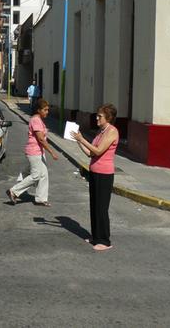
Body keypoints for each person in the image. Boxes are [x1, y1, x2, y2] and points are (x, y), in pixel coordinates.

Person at [71, 104, 119, 251]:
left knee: (102, 207)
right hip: (94, 171)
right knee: (94, 205)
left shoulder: (112, 131)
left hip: (105, 174)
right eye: (97, 115)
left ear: (108, 118)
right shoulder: (100, 132)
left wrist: (82, 138)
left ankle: (105, 240)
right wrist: (79, 141)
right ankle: (96, 236)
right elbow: (89, 153)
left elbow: (98, 151)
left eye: (100, 116)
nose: (96, 118)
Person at [6, 98, 58, 206]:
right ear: (38, 110)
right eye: (45, 110)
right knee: (36, 175)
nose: (47, 112)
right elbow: (41, 139)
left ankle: (41, 199)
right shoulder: (35, 120)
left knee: (44, 175)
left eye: (47, 110)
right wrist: (52, 152)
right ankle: (13, 191)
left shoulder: (38, 120)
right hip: (34, 151)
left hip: (39, 151)